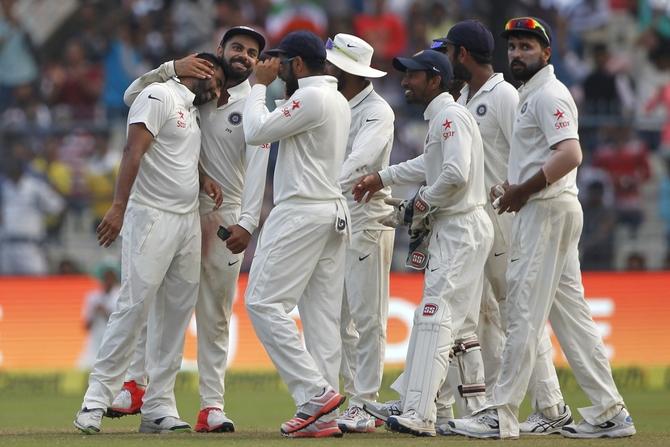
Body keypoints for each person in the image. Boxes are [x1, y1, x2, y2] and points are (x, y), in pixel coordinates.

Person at [448, 17, 636, 439]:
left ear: (546, 53)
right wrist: (511, 185)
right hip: (548, 207)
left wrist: (523, 190)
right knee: (571, 317)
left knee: (522, 314)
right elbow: (537, 157)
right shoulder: (529, 95)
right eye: (512, 47)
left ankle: (502, 412)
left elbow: (570, 153)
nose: (517, 54)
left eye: (527, 47)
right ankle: (610, 411)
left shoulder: (548, 93)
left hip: (546, 210)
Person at [110, 26, 269, 433]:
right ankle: (137, 386)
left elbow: (257, 172)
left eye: (252, 52)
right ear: (220, 50)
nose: (244, 56)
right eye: (237, 47)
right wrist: (170, 68)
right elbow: (132, 99)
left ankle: (211, 406)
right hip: (176, 210)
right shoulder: (189, 88)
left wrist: (248, 223)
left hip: (224, 214)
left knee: (214, 314)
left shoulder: (255, 102)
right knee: (156, 301)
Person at [73, 52, 225, 435]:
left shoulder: (190, 111)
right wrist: (119, 207)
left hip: (187, 220)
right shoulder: (158, 94)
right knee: (134, 306)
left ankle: (158, 406)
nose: (219, 90)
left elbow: (176, 154)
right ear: (202, 70)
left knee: (175, 314)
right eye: (217, 80)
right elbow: (133, 150)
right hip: (151, 215)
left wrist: (202, 176)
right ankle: (94, 400)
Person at [435, 20, 570, 435]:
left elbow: (529, 153)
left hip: (508, 218)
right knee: (486, 318)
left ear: (461, 54)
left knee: (516, 314)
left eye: (447, 51)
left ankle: (550, 406)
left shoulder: (505, 95)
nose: (443, 59)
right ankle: (493, 408)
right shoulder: (460, 98)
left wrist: (516, 193)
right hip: (474, 222)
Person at [354, 49, 493, 437]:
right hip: (457, 226)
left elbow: (454, 175)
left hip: (459, 227)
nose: (404, 82)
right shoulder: (443, 118)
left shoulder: (449, 117)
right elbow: (430, 166)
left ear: (434, 79)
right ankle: (469, 409)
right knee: (459, 326)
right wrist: (383, 177)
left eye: (412, 76)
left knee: (433, 315)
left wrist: (414, 206)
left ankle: (419, 411)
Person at [242, 30, 351, 438]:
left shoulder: (309, 97)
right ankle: (323, 418)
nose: (274, 68)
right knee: (321, 319)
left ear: (298, 65)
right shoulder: (336, 98)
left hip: (301, 211)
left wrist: (257, 88)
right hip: (330, 212)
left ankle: (313, 394)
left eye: (281, 62)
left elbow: (255, 133)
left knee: (262, 302)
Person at [323, 33, 395, 433]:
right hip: (337, 218)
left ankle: (367, 403)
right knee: (340, 319)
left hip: (367, 221)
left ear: (344, 70)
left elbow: (359, 162)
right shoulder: (337, 103)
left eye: (331, 64)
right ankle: (353, 399)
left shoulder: (377, 112)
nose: (326, 68)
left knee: (369, 319)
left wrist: (320, 193)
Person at [0, 157, 65, 275]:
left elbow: (57, 206)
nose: (13, 169)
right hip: (6, 245)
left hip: (29, 246)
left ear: (22, 169)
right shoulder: (3, 187)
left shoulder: (35, 187)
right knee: (6, 288)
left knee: (35, 285)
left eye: (15, 166)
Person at [78, 263, 121, 369]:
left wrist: (104, 311)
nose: (108, 279)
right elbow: (86, 326)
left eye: (111, 276)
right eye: (106, 276)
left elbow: (120, 324)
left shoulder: (120, 295)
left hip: (113, 342)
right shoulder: (92, 297)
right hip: (94, 342)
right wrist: (94, 312)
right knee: (84, 367)